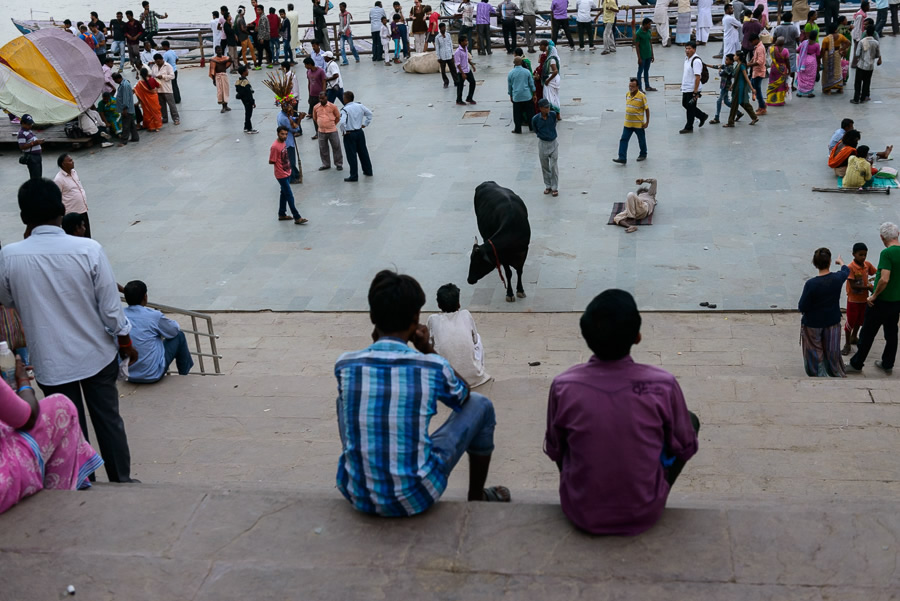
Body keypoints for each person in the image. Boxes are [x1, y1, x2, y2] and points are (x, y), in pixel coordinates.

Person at [335, 270, 509, 517]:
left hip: (357, 494)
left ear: (372, 315)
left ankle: (361, 468)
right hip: (417, 494)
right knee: (481, 404)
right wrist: (427, 348)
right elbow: (463, 395)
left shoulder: (345, 364)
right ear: (416, 319)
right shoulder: (430, 366)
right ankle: (476, 496)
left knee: (345, 398)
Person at [0, 178, 138, 483]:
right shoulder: (89, 249)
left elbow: (8, 300)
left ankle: (81, 483)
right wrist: (125, 340)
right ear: (62, 210)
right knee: (109, 422)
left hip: (50, 362)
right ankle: (122, 481)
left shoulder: (9, 256)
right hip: (96, 355)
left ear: (24, 218)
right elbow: (111, 309)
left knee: (67, 428)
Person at [545, 289, 699, 535]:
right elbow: (685, 447)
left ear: (586, 336)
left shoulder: (564, 386)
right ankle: (648, 489)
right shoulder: (663, 384)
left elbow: (555, 450)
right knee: (689, 421)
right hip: (644, 511)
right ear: (638, 337)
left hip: (580, 510)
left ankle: (586, 488)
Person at [0, 360, 104, 514]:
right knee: (61, 406)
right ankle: (59, 502)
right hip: (5, 483)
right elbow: (26, 418)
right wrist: (24, 382)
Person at [847, 223, 900, 375]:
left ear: (882, 237)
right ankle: (887, 363)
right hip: (896, 301)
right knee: (891, 333)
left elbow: (884, 279)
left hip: (881, 301)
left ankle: (857, 364)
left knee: (868, 333)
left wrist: (874, 295)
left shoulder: (887, 253)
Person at [122, 281, 194, 384]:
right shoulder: (153, 316)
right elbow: (174, 330)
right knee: (179, 336)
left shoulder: (119, 316)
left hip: (126, 374)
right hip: (152, 374)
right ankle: (184, 374)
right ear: (145, 297)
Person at [426, 283, 491, 387]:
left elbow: (428, 345)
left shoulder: (433, 319)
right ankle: (473, 370)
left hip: (444, 380)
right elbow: (474, 340)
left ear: (438, 305)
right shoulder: (466, 314)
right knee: (477, 337)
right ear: (459, 304)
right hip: (473, 377)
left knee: (432, 344)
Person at [798, 248, 849, 377]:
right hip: (832, 321)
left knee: (815, 350)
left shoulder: (811, 284)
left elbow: (802, 306)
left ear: (815, 263)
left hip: (813, 323)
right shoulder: (837, 278)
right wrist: (841, 262)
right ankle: (834, 371)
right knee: (832, 350)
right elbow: (846, 271)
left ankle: (818, 374)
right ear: (830, 262)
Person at [843, 243, 877, 355]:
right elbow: (852, 286)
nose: (863, 257)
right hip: (853, 300)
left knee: (860, 320)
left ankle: (854, 337)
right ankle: (847, 343)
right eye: (860, 255)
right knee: (850, 322)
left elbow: (876, 272)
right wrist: (868, 287)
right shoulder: (850, 267)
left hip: (864, 300)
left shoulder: (867, 265)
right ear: (854, 254)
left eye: (865, 255)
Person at [269, 126, 308, 224]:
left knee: (284, 193)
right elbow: (271, 160)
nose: (284, 136)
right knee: (289, 195)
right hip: (281, 174)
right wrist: (280, 165)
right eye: (282, 134)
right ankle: (297, 217)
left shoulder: (283, 143)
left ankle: (282, 213)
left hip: (287, 172)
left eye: (286, 134)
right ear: (278, 134)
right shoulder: (275, 146)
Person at [53, 154, 91, 238]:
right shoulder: (58, 179)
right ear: (63, 164)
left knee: (86, 235)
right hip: (71, 214)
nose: (72, 162)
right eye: (70, 161)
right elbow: (56, 198)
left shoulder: (74, 172)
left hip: (82, 210)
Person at [339, 90, 374, 182]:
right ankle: (368, 170)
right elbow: (370, 114)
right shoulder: (360, 106)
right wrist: (365, 124)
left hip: (350, 134)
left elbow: (342, 122)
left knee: (352, 155)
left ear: (346, 99)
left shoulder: (345, 110)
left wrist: (344, 131)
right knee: (363, 152)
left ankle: (354, 175)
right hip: (359, 132)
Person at [613, 78, 649, 165]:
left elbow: (647, 109)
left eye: (633, 86)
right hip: (628, 123)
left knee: (641, 140)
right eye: (630, 86)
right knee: (623, 139)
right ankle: (622, 157)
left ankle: (643, 154)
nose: (631, 88)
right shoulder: (627, 94)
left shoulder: (642, 96)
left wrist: (647, 122)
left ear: (637, 87)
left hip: (638, 124)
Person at [724, 50, 759, 126]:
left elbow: (746, 77)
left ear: (738, 57)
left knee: (734, 104)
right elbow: (737, 78)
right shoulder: (738, 65)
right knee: (744, 103)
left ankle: (730, 122)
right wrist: (732, 86)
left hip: (740, 88)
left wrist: (752, 88)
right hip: (737, 86)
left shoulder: (742, 65)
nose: (734, 57)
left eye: (735, 55)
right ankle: (754, 117)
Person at [680, 42, 708, 134]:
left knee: (690, 108)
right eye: (686, 48)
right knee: (686, 104)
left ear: (694, 49)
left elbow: (697, 77)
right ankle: (702, 115)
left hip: (692, 88)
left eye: (689, 49)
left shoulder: (696, 61)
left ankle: (689, 126)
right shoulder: (687, 59)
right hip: (686, 87)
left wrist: (695, 91)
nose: (687, 51)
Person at [532, 98, 559, 196]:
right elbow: (535, 130)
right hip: (543, 143)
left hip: (553, 143)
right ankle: (548, 186)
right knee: (545, 166)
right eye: (545, 107)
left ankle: (555, 187)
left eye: (548, 107)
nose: (548, 109)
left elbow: (554, 124)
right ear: (540, 109)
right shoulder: (535, 119)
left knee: (553, 166)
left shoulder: (552, 115)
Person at [313, 91, 344, 171]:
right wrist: (321, 124)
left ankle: (338, 164)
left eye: (323, 98)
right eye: (320, 98)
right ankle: (326, 164)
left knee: (336, 147)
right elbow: (315, 118)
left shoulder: (333, 106)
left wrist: (332, 124)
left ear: (326, 97)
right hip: (321, 131)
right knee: (323, 148)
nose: (321, 100)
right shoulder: (316, 107)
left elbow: (337, 117)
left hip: (332, 130)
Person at [851, 25, 881, 104]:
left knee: (858, 82)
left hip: (861, 65)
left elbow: (857, 54)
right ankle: (863, 98)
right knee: (867, 82)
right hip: (870, 66)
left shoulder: (862, 41)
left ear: (866, 32)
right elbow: (877, 55)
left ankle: (856, 98)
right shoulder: (876, 42)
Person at [276, 100, 304, 184]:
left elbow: (291, 119)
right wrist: (299, 120)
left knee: (290, 160)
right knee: (291, 161)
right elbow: (294, 129)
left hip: (287, 141)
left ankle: (296, 174)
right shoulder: (284, 118)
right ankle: (291, 178)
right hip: (288, 142)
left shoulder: (282, 114)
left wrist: (297, 118)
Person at [773, 12, 800, 90]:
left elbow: (774, 40)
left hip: (780, 50)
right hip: (791, 50)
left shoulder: (778, 28)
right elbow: (798, 40)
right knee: (792, 68)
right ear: (790, 19)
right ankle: (790, 85)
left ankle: (781, 83)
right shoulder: (794, 28)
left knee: (781, 67)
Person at [149, 54, 179, 125]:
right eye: (156, 62)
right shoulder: (154, 67)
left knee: (172, 105)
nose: (158, 63)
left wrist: (163, 76)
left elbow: (172, 76)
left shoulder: (168, 66)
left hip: (167, 89)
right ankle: (165, 118)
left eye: (159, 61)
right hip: (158, 90)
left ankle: (176, 118)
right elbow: (152, 76)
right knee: (162, 106)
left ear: (162, 59)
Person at [509, 56, 536, 134]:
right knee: (530, 112)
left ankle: (518, 129)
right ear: (521, 62)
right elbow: (531, 84)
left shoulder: (511, 73)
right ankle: (532, 127)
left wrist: (511, 95)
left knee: (517, 114)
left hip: (517, 96)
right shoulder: (527, 72)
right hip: (527, 96)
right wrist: (534, 94)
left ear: (514, 63)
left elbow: (510, 86)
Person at [821, 25, 850, 95]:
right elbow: (848, 42)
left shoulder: (826, 39)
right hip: (837, 55)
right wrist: (843, 49)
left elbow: (822, 50)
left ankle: (828, 89)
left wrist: (819, 59)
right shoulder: (840, 36)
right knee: (837, 71)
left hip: (828, 56)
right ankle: (840, 88)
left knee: (828, 72)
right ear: (835, 30)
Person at [711, 53, 740, 124]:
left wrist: (719, 70)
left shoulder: (730, 68)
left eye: (727, 60)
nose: (725, 61)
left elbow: (721, 73)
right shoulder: (727, 66)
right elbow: (717, 66)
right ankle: (738, 113)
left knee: (719, 101)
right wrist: (707, 65)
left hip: (725, 86)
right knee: (726, 101)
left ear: (731, 61)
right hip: (724, 86)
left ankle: (716, 117)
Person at [537, 40, 562, 118]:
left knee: (550, 97)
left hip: (551, 79)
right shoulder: (551, 59)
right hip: (553, 79)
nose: (546, 52)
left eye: (547, 51)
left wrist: (548, 80)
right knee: (554, 96)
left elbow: (555, 71)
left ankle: (553, 114)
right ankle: (557, 114)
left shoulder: (551, 60)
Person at [304, 57, 327, 138]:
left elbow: (324, 82)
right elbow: (309, 83)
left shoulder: (320, 71)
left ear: (309, 64)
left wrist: (323, 93)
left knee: (322, 114)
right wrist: (309, 95)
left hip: (319, 96)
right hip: (312, 96)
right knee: (314, 115)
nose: (305, 66)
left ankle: (324, 130)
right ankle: (317, 132)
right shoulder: (308, 72)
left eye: (305, 64)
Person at [745, 33, 767, 114]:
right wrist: (749, 63)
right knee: (755, 88)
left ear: (755, 40)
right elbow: (754, 58)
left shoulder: (760, 48)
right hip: (755, 71)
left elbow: (760, 61)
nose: (751, 43)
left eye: (752, 42)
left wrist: (749, 64)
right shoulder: (757, 47)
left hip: (759, 72)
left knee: (757, 90)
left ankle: (762, 107)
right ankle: (762, 105)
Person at [17, 115, 43, 181]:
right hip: (32, 157)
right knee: (35, 177)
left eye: (31, 124)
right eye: (28, 124)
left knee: (38, 176)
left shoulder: (29, 131)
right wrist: (35, 143)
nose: (30, 125)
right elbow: (22, 146)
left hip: (37, 156)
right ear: (23, 123)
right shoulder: (21, 133)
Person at [766, 37, 790, 106]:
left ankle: (770, 100)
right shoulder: (785, 51)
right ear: (783, 43)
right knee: (781, 85)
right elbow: (787, 61)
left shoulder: (772, 49)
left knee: (772, 83)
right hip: (782, 69)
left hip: (774, 68)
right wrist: (789, 70)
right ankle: (779, 100)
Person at [795, 30, 820, 97]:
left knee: (801, 76)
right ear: (815, 37)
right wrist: (818, 65)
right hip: (811, 62)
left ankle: (800, 92)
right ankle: (809, 92)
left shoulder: (804, 43)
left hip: (802, 61)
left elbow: (797, 51)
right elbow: (818, 55)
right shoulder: (816, 45)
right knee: (810, 77)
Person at [235, 65, 259, 134]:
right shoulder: (245, 82)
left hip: (243, 99)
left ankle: (246, 127)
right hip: (248, 100)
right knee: (249, 114)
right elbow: (249, 93)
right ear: (244, 72)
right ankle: (249, 128)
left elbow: (238, 90)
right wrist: (253, 102)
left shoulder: (238, 81)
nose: (248, 72)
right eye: (247, 70)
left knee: (247, 113)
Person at [455, 35, 478, 105]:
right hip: (461, 71)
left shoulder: (465, 48)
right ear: (461, 42)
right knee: (460, 86)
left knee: (473, 82)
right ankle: (458, 100)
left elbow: (466, 57)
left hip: (467, 69)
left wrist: (472, 65)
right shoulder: (457, 52)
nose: (467, 42)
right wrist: (462, 73)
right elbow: (457, 64)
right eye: (465, 41)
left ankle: (469, 98)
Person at [209, 46, 233, 114]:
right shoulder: (213, 60)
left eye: (220, 50)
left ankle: (226, 105)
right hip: (218, 76)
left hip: (224, 76)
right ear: (215, 51)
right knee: (221, 91)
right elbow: (212, 70)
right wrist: (213, 80)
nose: (219, 51)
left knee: (225, 90)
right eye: (218, 50)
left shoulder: (224, 58)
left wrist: (229, 59)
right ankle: (223, 106)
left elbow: (229, 62)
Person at [634, 18, 656, 91]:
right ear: (645, 24)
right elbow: (637, 46)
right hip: (642, 56)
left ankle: (647, 86)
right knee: (640, 72)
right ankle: (639, 88)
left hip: (648, 55)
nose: (650, 26)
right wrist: (639, 58)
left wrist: (652, 54)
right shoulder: (638, 33)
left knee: (646, 71)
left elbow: (650, 43)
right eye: (649, 24)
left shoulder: (649, 32)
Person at [435, 22, 458, 88]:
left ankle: (456, 82)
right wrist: (438, 57)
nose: (444, 29)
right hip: (442, 56)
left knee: (453, 69)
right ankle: (446, 82)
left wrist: (452, 53)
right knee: (443, 71)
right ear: (440, 29)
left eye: (444, 27)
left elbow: (450, 44)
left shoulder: (448, 35)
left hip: (449, 54)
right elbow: (437, 47)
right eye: (442, 28)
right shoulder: (437, 37)